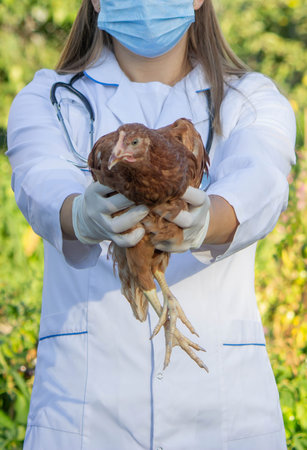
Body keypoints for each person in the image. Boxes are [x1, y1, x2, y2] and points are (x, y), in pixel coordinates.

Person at [7, 0, 296, 449]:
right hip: (88, 413)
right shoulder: (51, 97)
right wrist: (80, 214)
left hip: (223, 416)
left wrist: (203, 221)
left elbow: (262, 177)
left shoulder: (248, 99)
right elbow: (38, 178)